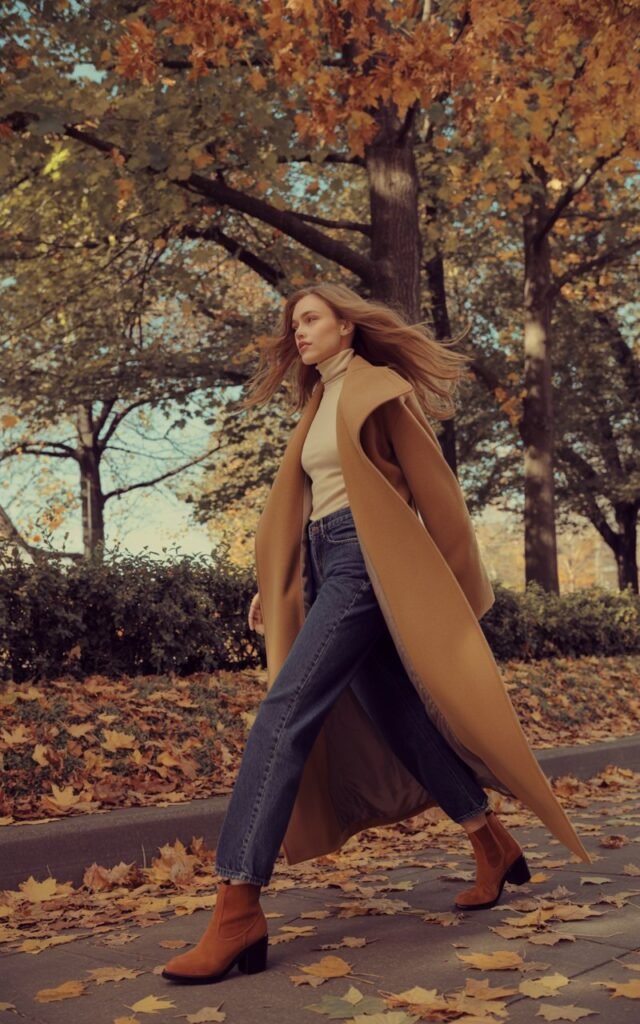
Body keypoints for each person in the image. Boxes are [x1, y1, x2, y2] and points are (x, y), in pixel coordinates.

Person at [162, 283, 589, 986]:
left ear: (345, 327)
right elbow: (305, 510)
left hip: (368, 560)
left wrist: (443, 592)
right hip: (331, 560)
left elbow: (436, 490)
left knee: (285, 708)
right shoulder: (316, 404)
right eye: (292, 322)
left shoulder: (378, 389)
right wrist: (276, 584)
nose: (297, 331)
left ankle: (237, 905)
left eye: (310, 318)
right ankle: (492, 843)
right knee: (396, 716)